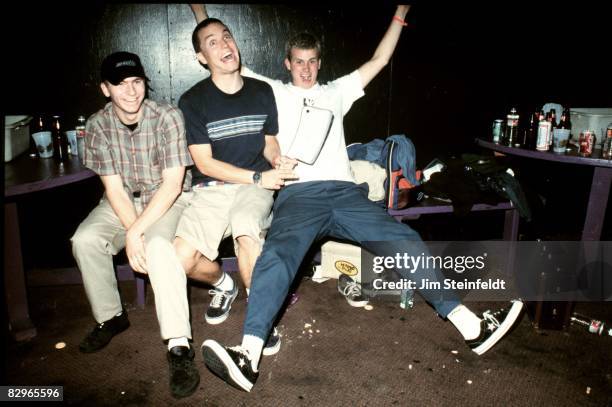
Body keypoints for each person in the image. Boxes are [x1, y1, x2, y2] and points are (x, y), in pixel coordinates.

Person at [193, 4, 525, 393]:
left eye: (312, 62)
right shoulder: (271, 91)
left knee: (404, 241)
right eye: (298, 62)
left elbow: (381, 58)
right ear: (287, 64)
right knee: (277, 255)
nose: (305, 69)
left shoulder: (337, 91)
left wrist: (400, 12)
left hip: (346, 193)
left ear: (319, 64)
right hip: (299, 194)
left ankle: (471, 326)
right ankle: (248, 357)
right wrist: (200, 11)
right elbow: (224, 59)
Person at [71, 51, 202, 399]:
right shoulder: (97, 125)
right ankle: (112, 316)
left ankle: (178, 345)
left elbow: (173, 184)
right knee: (85, 239)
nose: (131, 91)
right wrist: (133, 230)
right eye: (120, 84)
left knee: (159, 248)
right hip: (123, 200)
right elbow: (113, 188)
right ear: (105, 88)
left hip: (167, 198)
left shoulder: (168, 116)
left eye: (137, 82)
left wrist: (136, 234)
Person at [170, 14, 298, 356]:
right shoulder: (193, 100)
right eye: (213, 42)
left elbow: (269, 142)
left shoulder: (261, 91)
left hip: (253, 187)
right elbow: (204, 163)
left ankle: (260, 320)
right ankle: (223, 284)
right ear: (201, 57)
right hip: (211, 188)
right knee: (181, 259)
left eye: (227, 37)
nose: (225, 45)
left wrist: (276, 161)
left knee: (245, 229)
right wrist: (258, 175)